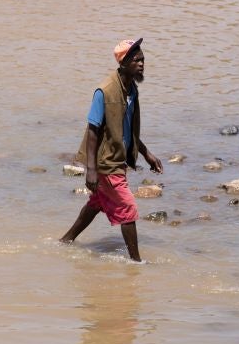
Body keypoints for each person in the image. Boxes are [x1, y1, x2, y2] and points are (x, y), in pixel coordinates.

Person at [60, 38, 163, 261]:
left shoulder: (131, 90)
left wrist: (146, 153)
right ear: (123, 63)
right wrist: (91, 170)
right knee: (127, 207)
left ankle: (65, 241)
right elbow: (93, 131)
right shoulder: (104, 92)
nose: (142, 64)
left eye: (143, 60)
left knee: (97, 203)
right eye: (136, 60)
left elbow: (126, 129)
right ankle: (136, 262)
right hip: (105, 162)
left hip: (117, 159)